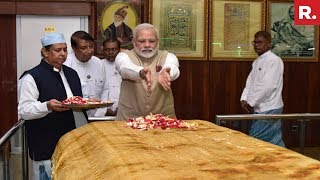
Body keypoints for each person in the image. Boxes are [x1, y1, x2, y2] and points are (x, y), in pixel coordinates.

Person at [18, 32, 87, 180]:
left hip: (72, 141)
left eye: (65, 49)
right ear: (45, 52)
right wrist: (47, 106)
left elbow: (75, 100)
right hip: (46, 142)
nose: (63, 54)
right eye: (57, 50)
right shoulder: (32, 77)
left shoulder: (72, 74)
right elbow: (24, 111)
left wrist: (87, 102)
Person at [115, 23, 180, 120]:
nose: (147, 45)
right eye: (142, 41)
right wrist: (140, 72)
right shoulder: (124, 56)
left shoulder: (168, 56)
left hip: (162, 120)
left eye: (152, 41)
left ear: (157, 42)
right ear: (133, 42)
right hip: (128, 119)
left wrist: (167, 72)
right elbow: (125, 68)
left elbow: (173, 66)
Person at [240, 31, 285, 147]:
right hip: (261, 107)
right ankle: (289, 164)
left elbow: (268, 86)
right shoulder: (257, 62)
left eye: (260, 42)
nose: (256, 45)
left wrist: (251, 101)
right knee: (275, 143)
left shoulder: (274, 60)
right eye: (254, 42)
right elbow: (250, 82)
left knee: (254, 143)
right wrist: (244, 98)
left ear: (269, 44)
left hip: (269, 108)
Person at [64, 31, 110, 117]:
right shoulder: (66, 65)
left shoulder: (98, 62)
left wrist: (100, 113)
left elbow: (105, 89)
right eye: (83, 48)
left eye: (91, 46)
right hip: (75, 114)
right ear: (74, 48)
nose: (89, 51)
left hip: (98, 114)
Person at [101, 38, 122, 116]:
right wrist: (105, 109)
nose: (110, 52)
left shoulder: (125, 66)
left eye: (114, 49)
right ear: (103, 50)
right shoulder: (98, 65)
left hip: (122, 110)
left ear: (119, 50)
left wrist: (121, 108)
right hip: (103, 111)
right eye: (107, 49)